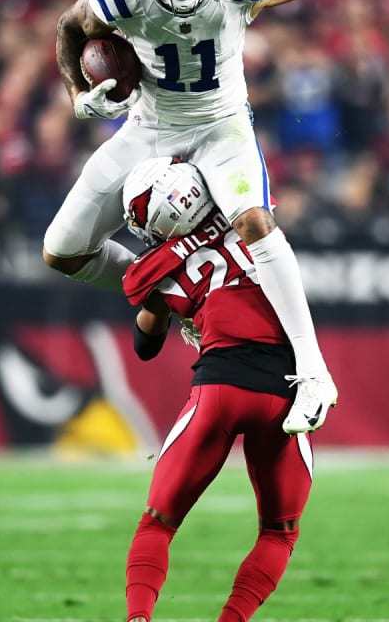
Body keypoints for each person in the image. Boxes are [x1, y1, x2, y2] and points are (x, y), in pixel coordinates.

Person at [48, 0, 389, 434]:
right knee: (62, 250)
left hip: (221, 124)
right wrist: (78, 95)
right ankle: (180, 295)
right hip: (149, 125)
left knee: (256, 223)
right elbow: (70, 29)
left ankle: (313, 373)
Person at [119, 157, 312, 622]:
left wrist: (166, 288)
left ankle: (139, 617)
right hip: (282, 391)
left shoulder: (166, 266)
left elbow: (145, 342)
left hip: (219, 388)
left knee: (159, 521)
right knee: (279, 531)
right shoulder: (255, 219)